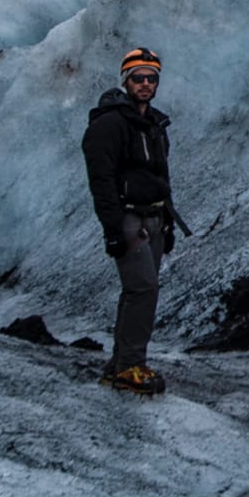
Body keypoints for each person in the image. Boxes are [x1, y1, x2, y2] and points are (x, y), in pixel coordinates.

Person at [82, 47, 176, 394]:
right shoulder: (109, 125)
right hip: (128, 217)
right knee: (143, 289)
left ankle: (119, 363)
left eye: (152, 78)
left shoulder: (155, 124)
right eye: (138, 77)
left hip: (153, 216)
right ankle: (130, 365)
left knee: (136, 291)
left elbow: (161, 174)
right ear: (126, 80)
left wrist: (167, 217)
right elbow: (101, 180)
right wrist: (111, 227)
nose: (146, 84)